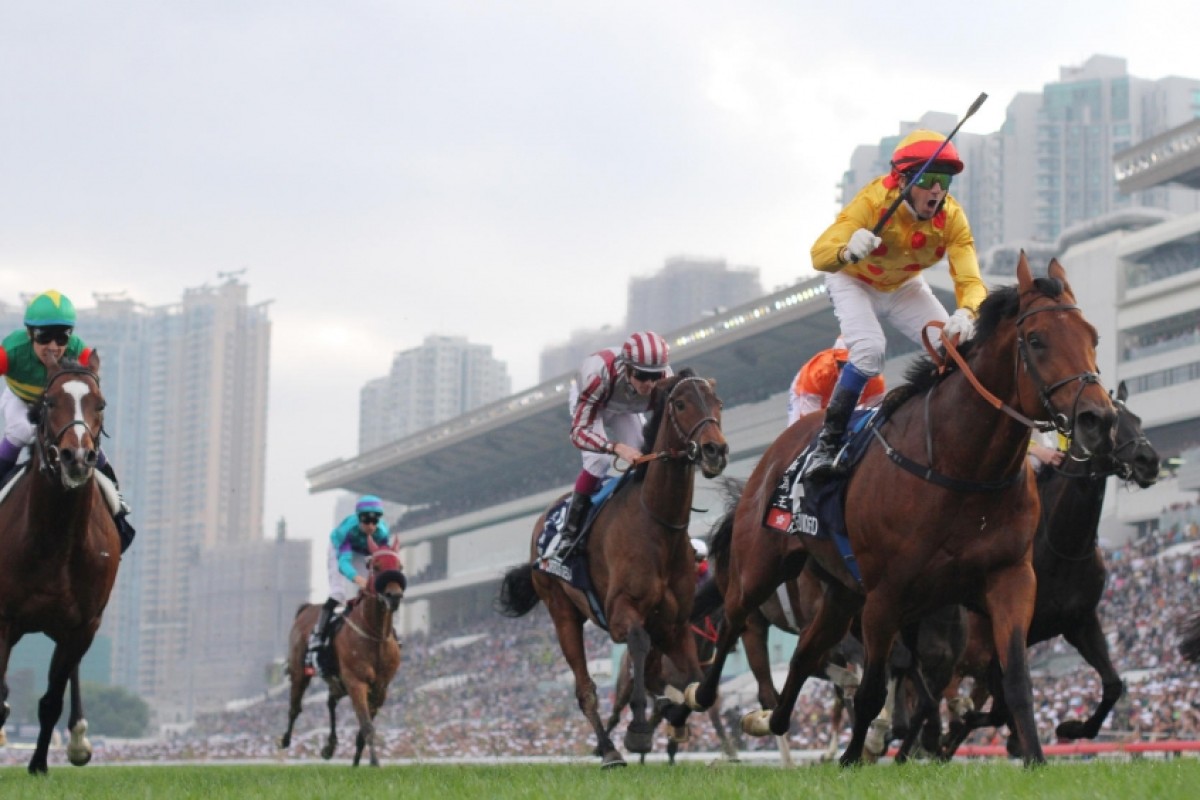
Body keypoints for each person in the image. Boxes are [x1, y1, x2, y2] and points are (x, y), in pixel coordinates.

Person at [803, 129, 986, 482]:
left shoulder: (952, 218)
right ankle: (827, 444)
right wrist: (846, 250)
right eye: (928, 180)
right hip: (853, 281)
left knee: (955, 348)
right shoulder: (872, 202)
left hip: (903, 286)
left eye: (944, 181)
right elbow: (819, 254)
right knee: (870, 351)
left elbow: (971, 282)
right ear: (902, 180)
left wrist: (967, 311)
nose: (937, 190)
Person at [0, 290, 136, 550]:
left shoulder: (79, 351)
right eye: (44, 336)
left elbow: (90, 386)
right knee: (20, 430)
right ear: (29, 334)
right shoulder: (11, 352)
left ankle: (115, 500)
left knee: (81, 438)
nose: (53, 346)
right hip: (21, 399)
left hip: (59, 403)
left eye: (62, 336)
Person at [557, 330, 673, 554]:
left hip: (624, 405)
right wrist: (615, 447)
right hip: (595, 401)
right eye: (642, 375)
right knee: (599, 461)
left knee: (644, 456)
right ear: (627, 367)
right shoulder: (597, 376)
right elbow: (579, 433)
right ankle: (569, 534)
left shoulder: (666, 381)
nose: (649, 384)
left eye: (655, 376)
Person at [305, 494, 394, 676]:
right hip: (340, 551)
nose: (371, 526)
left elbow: (384, 559)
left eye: (375, 521)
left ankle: (388, 633)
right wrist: (357, 578)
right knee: (338, 593)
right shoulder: (348, 530)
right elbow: (344, 563)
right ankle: (318, 635)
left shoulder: (382, 533)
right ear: (359, 518)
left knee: (375, 592)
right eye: (366, 520)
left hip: (362, 552)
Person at [787, 338, 887, 426]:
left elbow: (875, 417)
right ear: (835, 359)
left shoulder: (874, 379)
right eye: (844, 364)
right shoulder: (818, 372)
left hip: (843, 400)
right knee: (799, 428)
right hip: (806, 394)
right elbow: (809, 418)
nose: (847, 372)